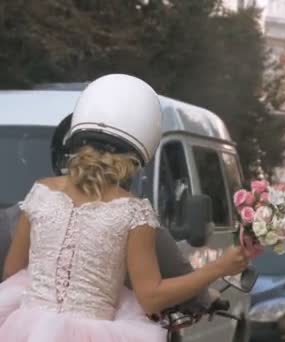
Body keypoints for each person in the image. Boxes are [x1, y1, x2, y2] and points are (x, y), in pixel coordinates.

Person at [0, 74, 249, 341]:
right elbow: (151, 298)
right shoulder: (133, 212)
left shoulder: (40, 192)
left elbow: (13, 274)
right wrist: (219, 267)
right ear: (137, 152)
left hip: (25, 329)